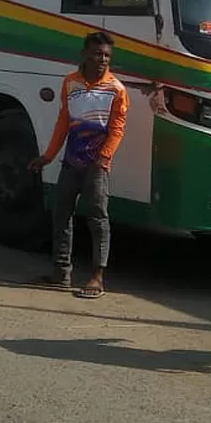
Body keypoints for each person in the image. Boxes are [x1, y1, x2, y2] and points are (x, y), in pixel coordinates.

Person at [28, 31, 126, 299]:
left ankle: (97, 277)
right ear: (84, 54)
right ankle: (61, 273)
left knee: (98, 220)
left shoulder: (117, 89)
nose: (103, 59)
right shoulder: (70, 83)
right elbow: (64, 122)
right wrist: (48, 155)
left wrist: (103, 158)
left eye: (107, 55)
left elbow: (117, 129)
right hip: (71, 161)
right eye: (97, 54)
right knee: (61, 214)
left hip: (96, 166)